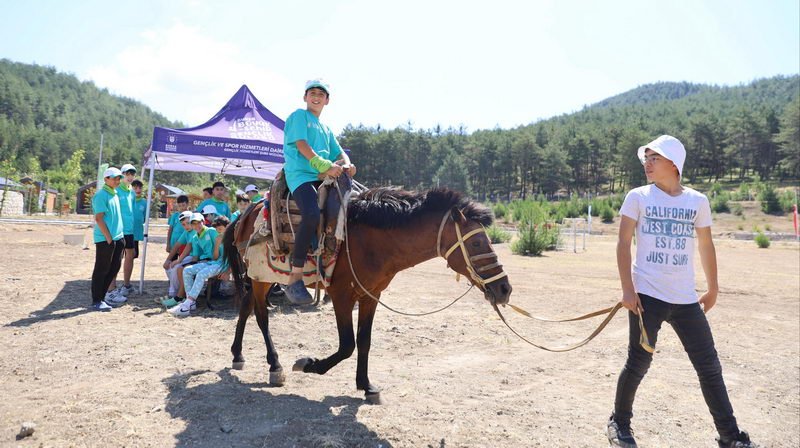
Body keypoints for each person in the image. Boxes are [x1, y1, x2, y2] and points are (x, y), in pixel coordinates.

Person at [607, 135, 757, 448]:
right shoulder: (638, 197)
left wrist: (713, 287)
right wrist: (627, 289)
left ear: (674, 163)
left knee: (709, 366)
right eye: (645, 158)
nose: (647, 164)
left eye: (654, 158)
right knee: (638, 362)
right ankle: (619, 424)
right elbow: (623, 243)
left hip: (686, 299)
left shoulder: (697, 201)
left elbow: (705, 244)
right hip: (646, 296)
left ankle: (730, 436)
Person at [281, 78, 356, 305]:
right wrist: (325, 166)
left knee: (351, 210)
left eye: (321, 94)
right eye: (312, 93)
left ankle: (338, 270)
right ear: (305, 97)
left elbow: (340, 151)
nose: (316, 97)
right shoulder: (298, 116)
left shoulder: (325, 128)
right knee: (312, 214)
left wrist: (348, 163)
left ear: (327, 100)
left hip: (321, 177)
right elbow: (302, 145)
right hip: (301, 175)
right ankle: (295, 277)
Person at [168, 215, 228, 316]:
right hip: (210, 262)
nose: (197, 225)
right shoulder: (195, 237)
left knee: (201, 273)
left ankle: (187, 304)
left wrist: (227, 271)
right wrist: (187, 263)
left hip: (219, 263)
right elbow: (198, 255)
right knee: (187, 270)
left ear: (203, 222)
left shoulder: (213, 232)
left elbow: (222, 255)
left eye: (198, 222)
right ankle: (191, 303)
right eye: (194, 223)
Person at [89, 167, 126, 311]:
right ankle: (96, 300)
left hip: (118, 238)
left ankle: (102, 297)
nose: (117, 181)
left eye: (118, 178)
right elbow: (99, 219)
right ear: (106, 179)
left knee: (114, 267)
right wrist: (109, 238)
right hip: (106, 239)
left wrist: (118, 237)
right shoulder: (101, 195)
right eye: (114, 178)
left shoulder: (115, 194)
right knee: (101, 269)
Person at [108, 163, 138, 299]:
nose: (130, 177)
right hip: (118, 230)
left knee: (130, 256)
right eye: (127, 174)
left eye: (132, 174)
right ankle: (112, 286)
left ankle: (127, 285)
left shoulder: (131, 191)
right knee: (116, 258)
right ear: (122, 175)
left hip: (129, 230)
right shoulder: (116, 189)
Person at [158, 211, 196, 308]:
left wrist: (178, 260)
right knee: (169, 266)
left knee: (177, 267)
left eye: (188, 223)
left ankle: (176, 295)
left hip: (197, 257)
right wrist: (167, 260)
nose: (186, 226)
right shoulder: (186, 232)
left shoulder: (195, 231)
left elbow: (189, 248)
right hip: (189, 257)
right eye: (183, 224)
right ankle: (175, 292)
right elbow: (176, 246)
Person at [132, 179, 147, 248]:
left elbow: (145, 216)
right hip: (127, 231)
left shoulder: (144, 202)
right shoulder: (128, 200)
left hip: (137, 231)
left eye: (140, 188)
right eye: (135, 188)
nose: (138, 190)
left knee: (134, 253)